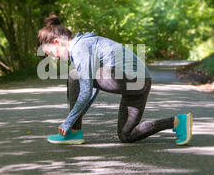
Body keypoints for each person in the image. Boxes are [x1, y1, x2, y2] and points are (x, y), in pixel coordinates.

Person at [38, 14, 192, 146]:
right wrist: (73, 118)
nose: (53, 57)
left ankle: (73, 132)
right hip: (140, 82)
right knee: (127, 135)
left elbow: (85, 91)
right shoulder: (83, 46)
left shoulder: (80, 47)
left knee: (74, 75)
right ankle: (178, 122)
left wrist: (69, 122)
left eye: (50, 53)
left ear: (57, 42)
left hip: (133, 79)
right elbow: (91, 90)